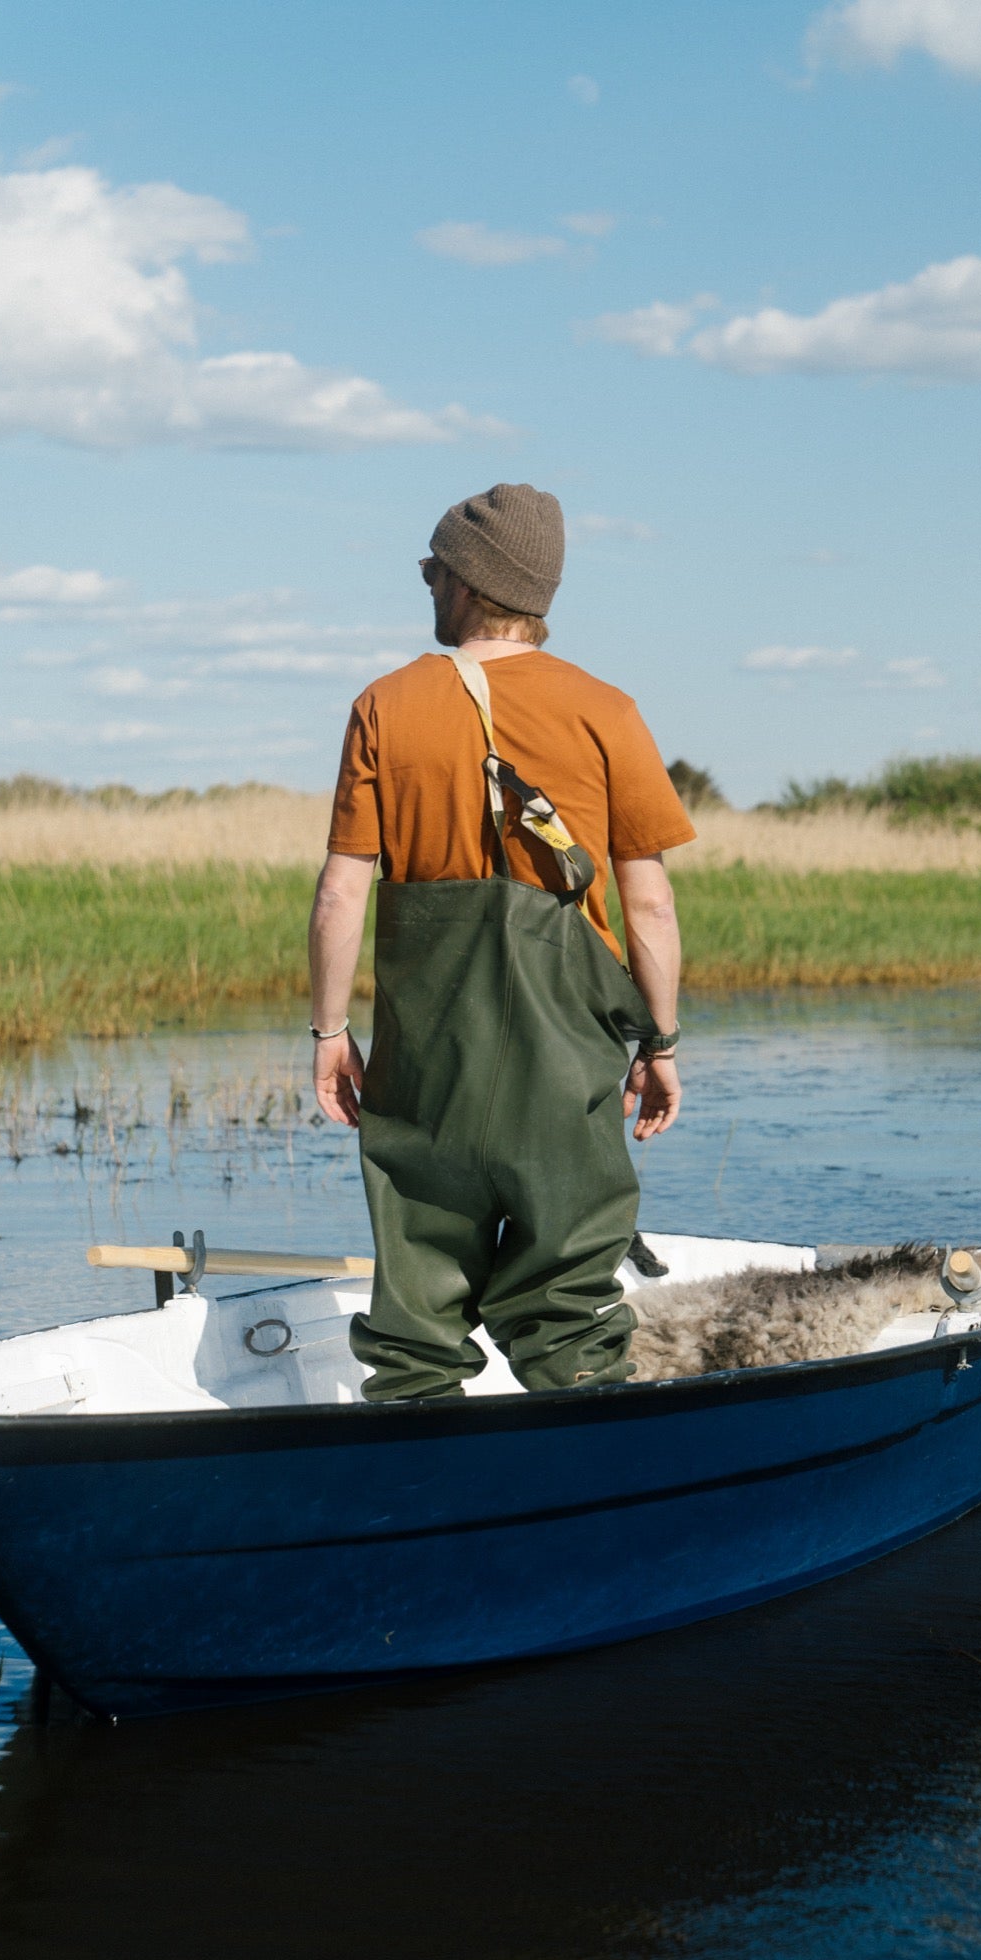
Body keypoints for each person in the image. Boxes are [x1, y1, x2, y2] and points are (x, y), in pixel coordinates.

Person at [308, 481, 695, 1401]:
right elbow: (648, 907)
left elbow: (339, 893)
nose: (427, 585)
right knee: (569, 1297)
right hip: (568, 1042)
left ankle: (417, 1474)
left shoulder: (383, 705)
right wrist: (661, 1042)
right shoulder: (604, 708)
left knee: (415, 1297)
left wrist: (330, 1034)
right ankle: (589, 1478)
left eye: (433, 569)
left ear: (472, 582)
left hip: (426, 1042)